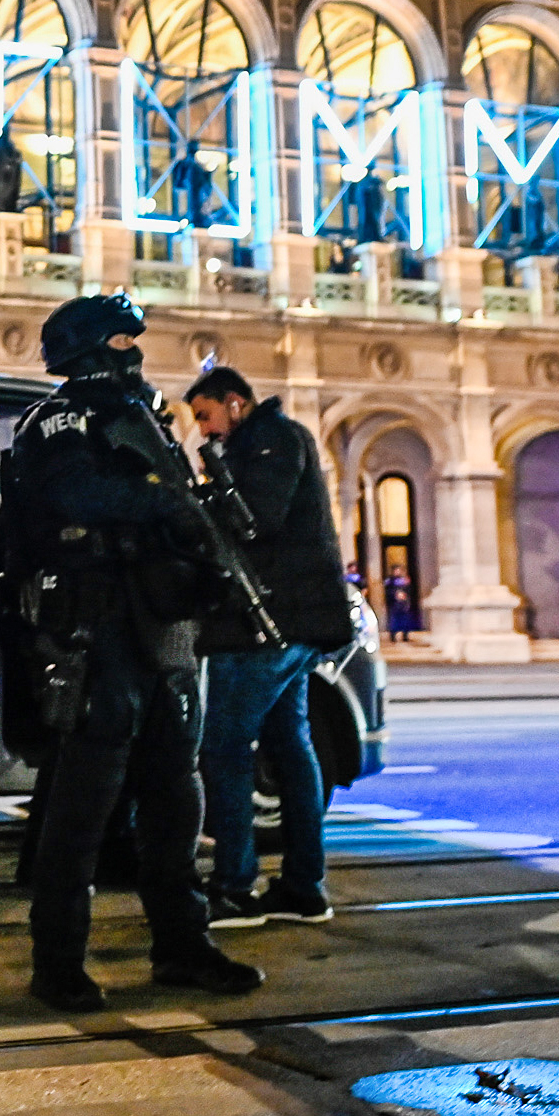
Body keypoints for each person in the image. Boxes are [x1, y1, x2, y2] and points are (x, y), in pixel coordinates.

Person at [2, 293, 262, 1012]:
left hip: (159, 626)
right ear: (87, 347)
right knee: (83, 809)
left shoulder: (145, 417)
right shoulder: (58, 419)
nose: (134, 351)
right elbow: (79, 496)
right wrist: (163, 500)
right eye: (120, 340)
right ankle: (58, 963)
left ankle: (183, 946)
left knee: (176, 800)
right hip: (97, 628)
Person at [185, 365, 356, 930]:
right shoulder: (271, 441)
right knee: (289, 745)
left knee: (225, 748)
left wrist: (203, 498)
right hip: (290, 621)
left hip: (269, 623)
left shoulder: (271, 441)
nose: (203, 429)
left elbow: (254, 521)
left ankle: (235, 886)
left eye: (206, 415)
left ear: (235, 402)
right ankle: (303, 888)